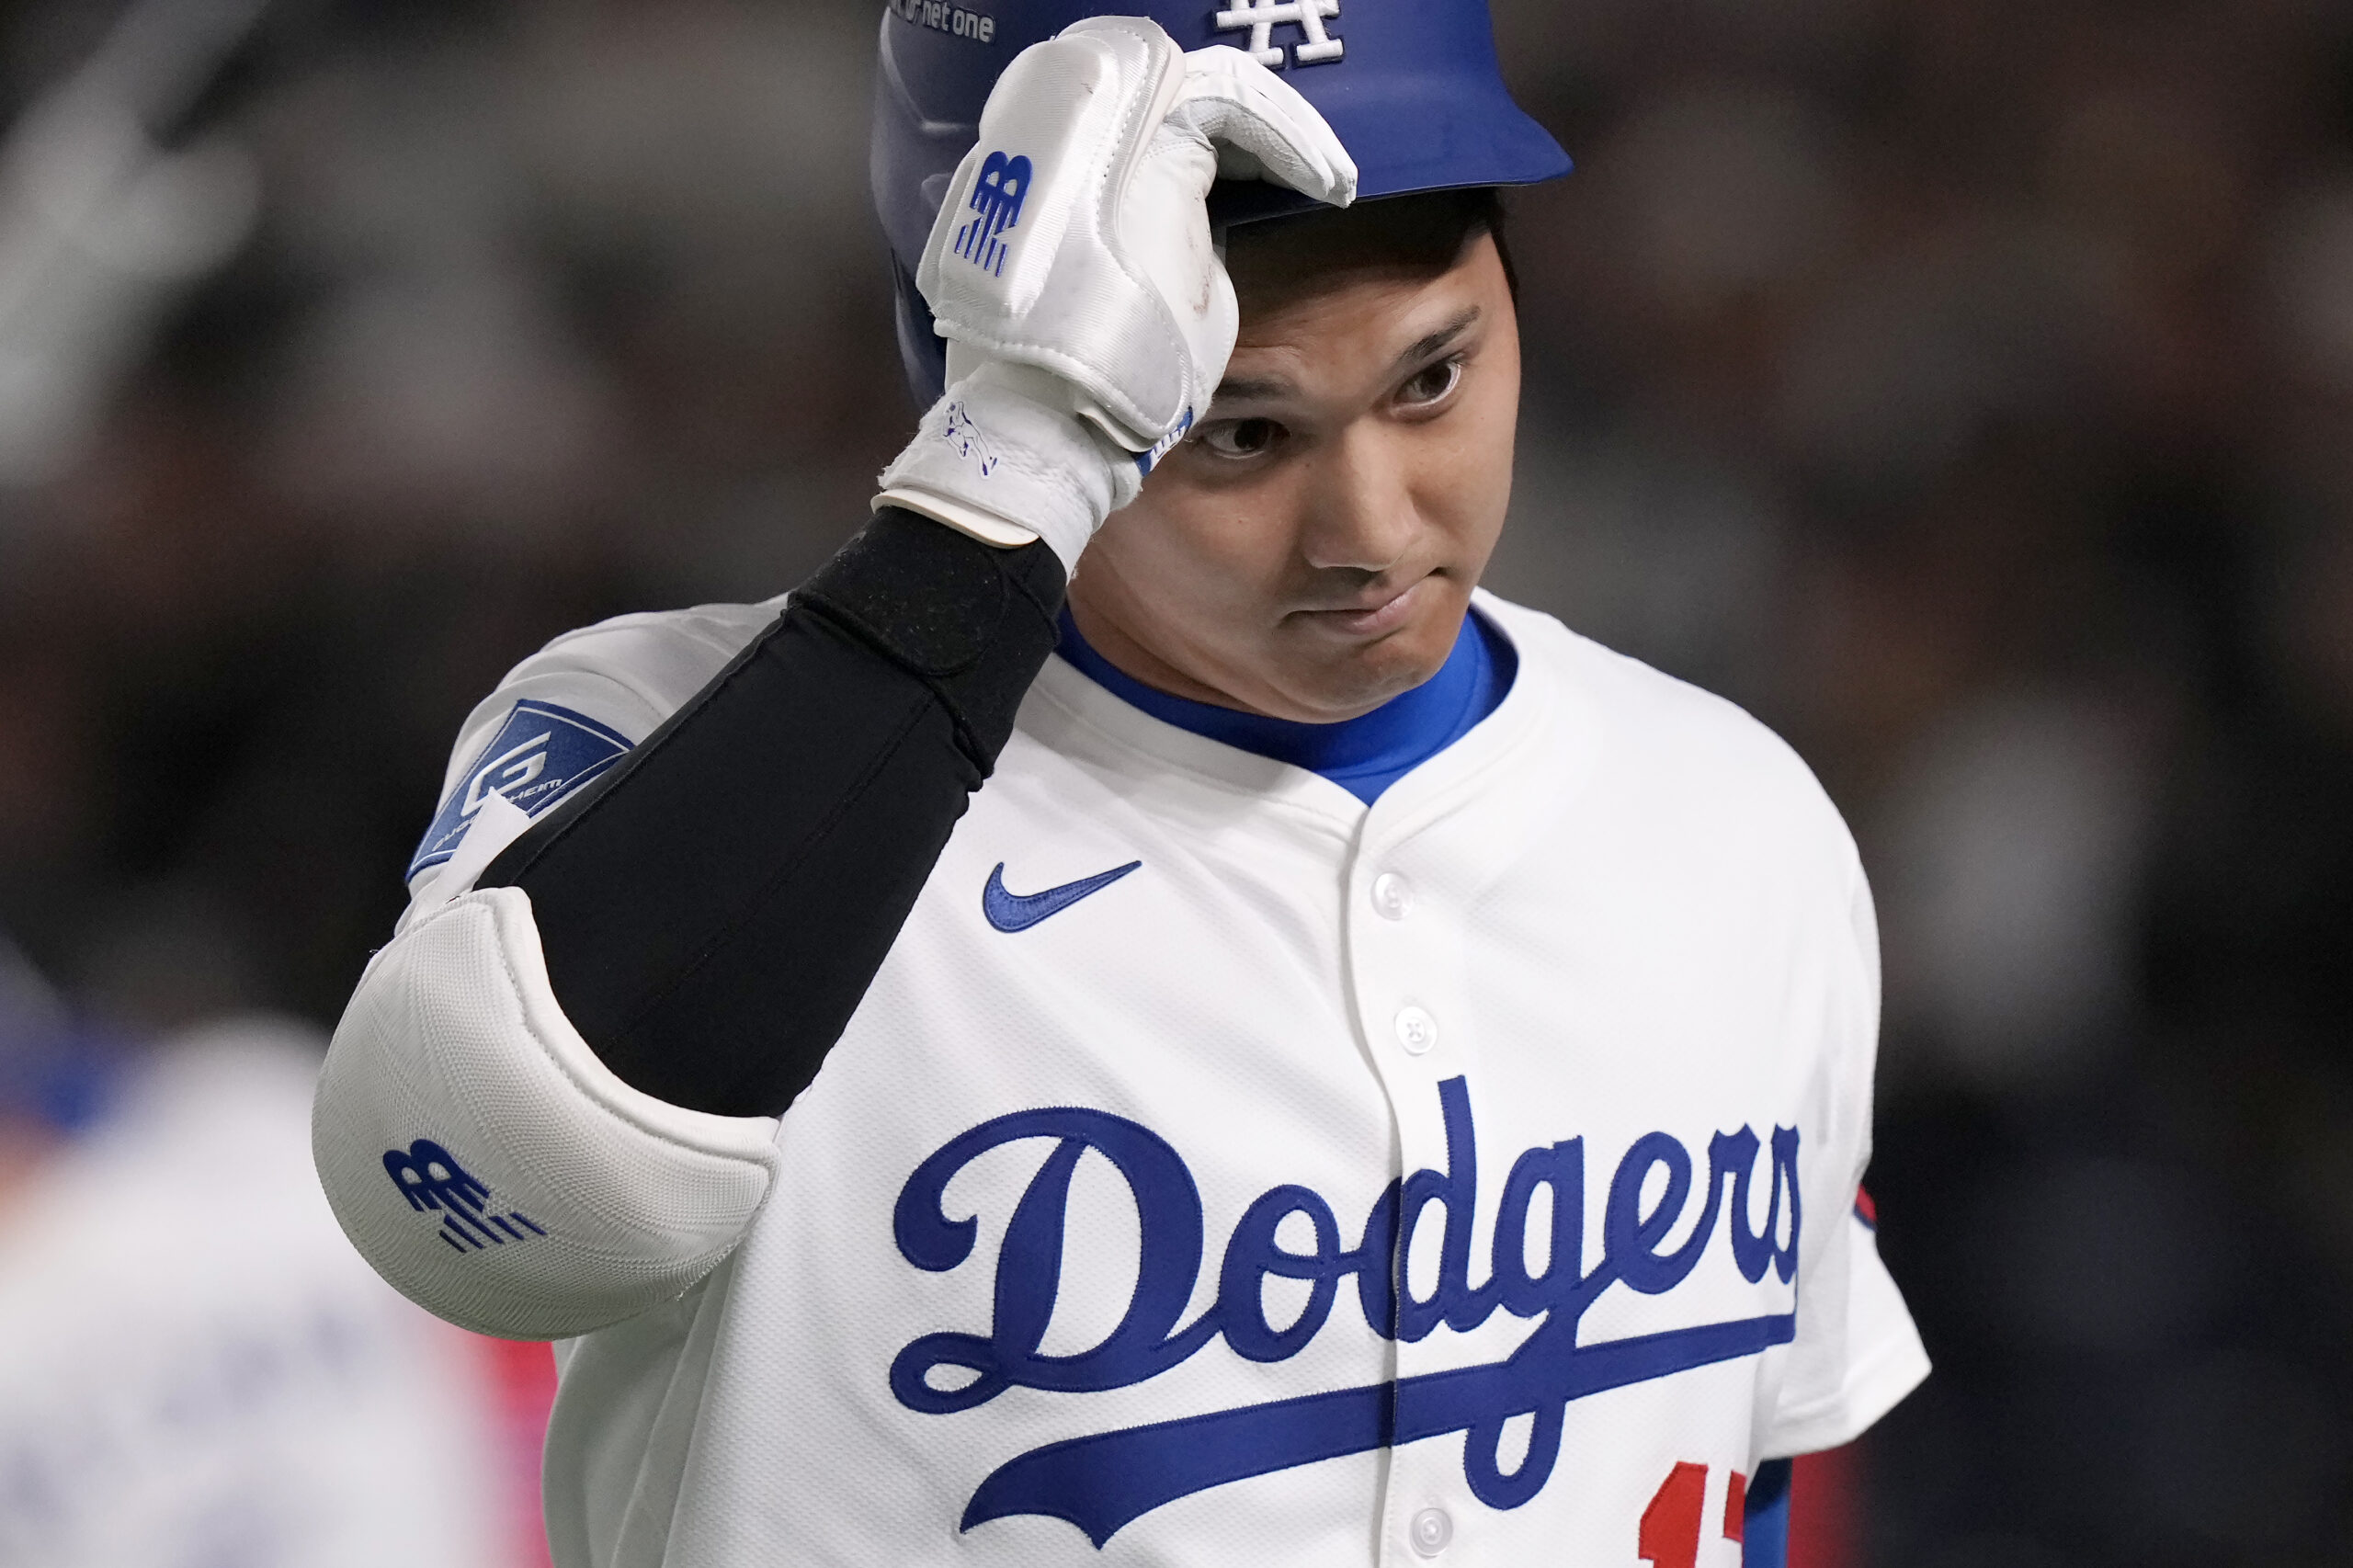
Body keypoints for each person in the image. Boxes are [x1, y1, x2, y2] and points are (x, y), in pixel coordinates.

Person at [313, 4, 1929, 1564]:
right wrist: (1010, 466)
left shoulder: (1736, 817)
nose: (1371, 527)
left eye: (1432, 381)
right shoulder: (678, 734)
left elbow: (1740, 1469)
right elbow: (466, 1197)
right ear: (975, 362)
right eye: (1237, 433)